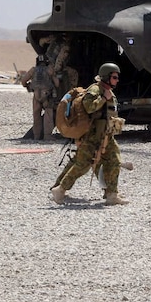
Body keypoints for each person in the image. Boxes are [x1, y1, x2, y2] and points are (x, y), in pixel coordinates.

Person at [50, 62, 128, 206]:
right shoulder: (95, 90)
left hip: (106, 135)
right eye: (114, 77)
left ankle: (112, 194)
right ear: (106, 77)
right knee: (82, 165)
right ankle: (60, 190)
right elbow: (89, 107)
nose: (117, 80)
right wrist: (104, 98)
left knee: (114, 161)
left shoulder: (107, 90)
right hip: (92, 136)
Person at [20, 55, 56, 140]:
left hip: (36, 95)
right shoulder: (49, 70)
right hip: (47, 96)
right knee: (48, 116)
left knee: (36, 116)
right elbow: (57, 83)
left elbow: (23, 81)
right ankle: (47, 136)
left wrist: (28, 86)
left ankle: (36, 136)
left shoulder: (33, 70)